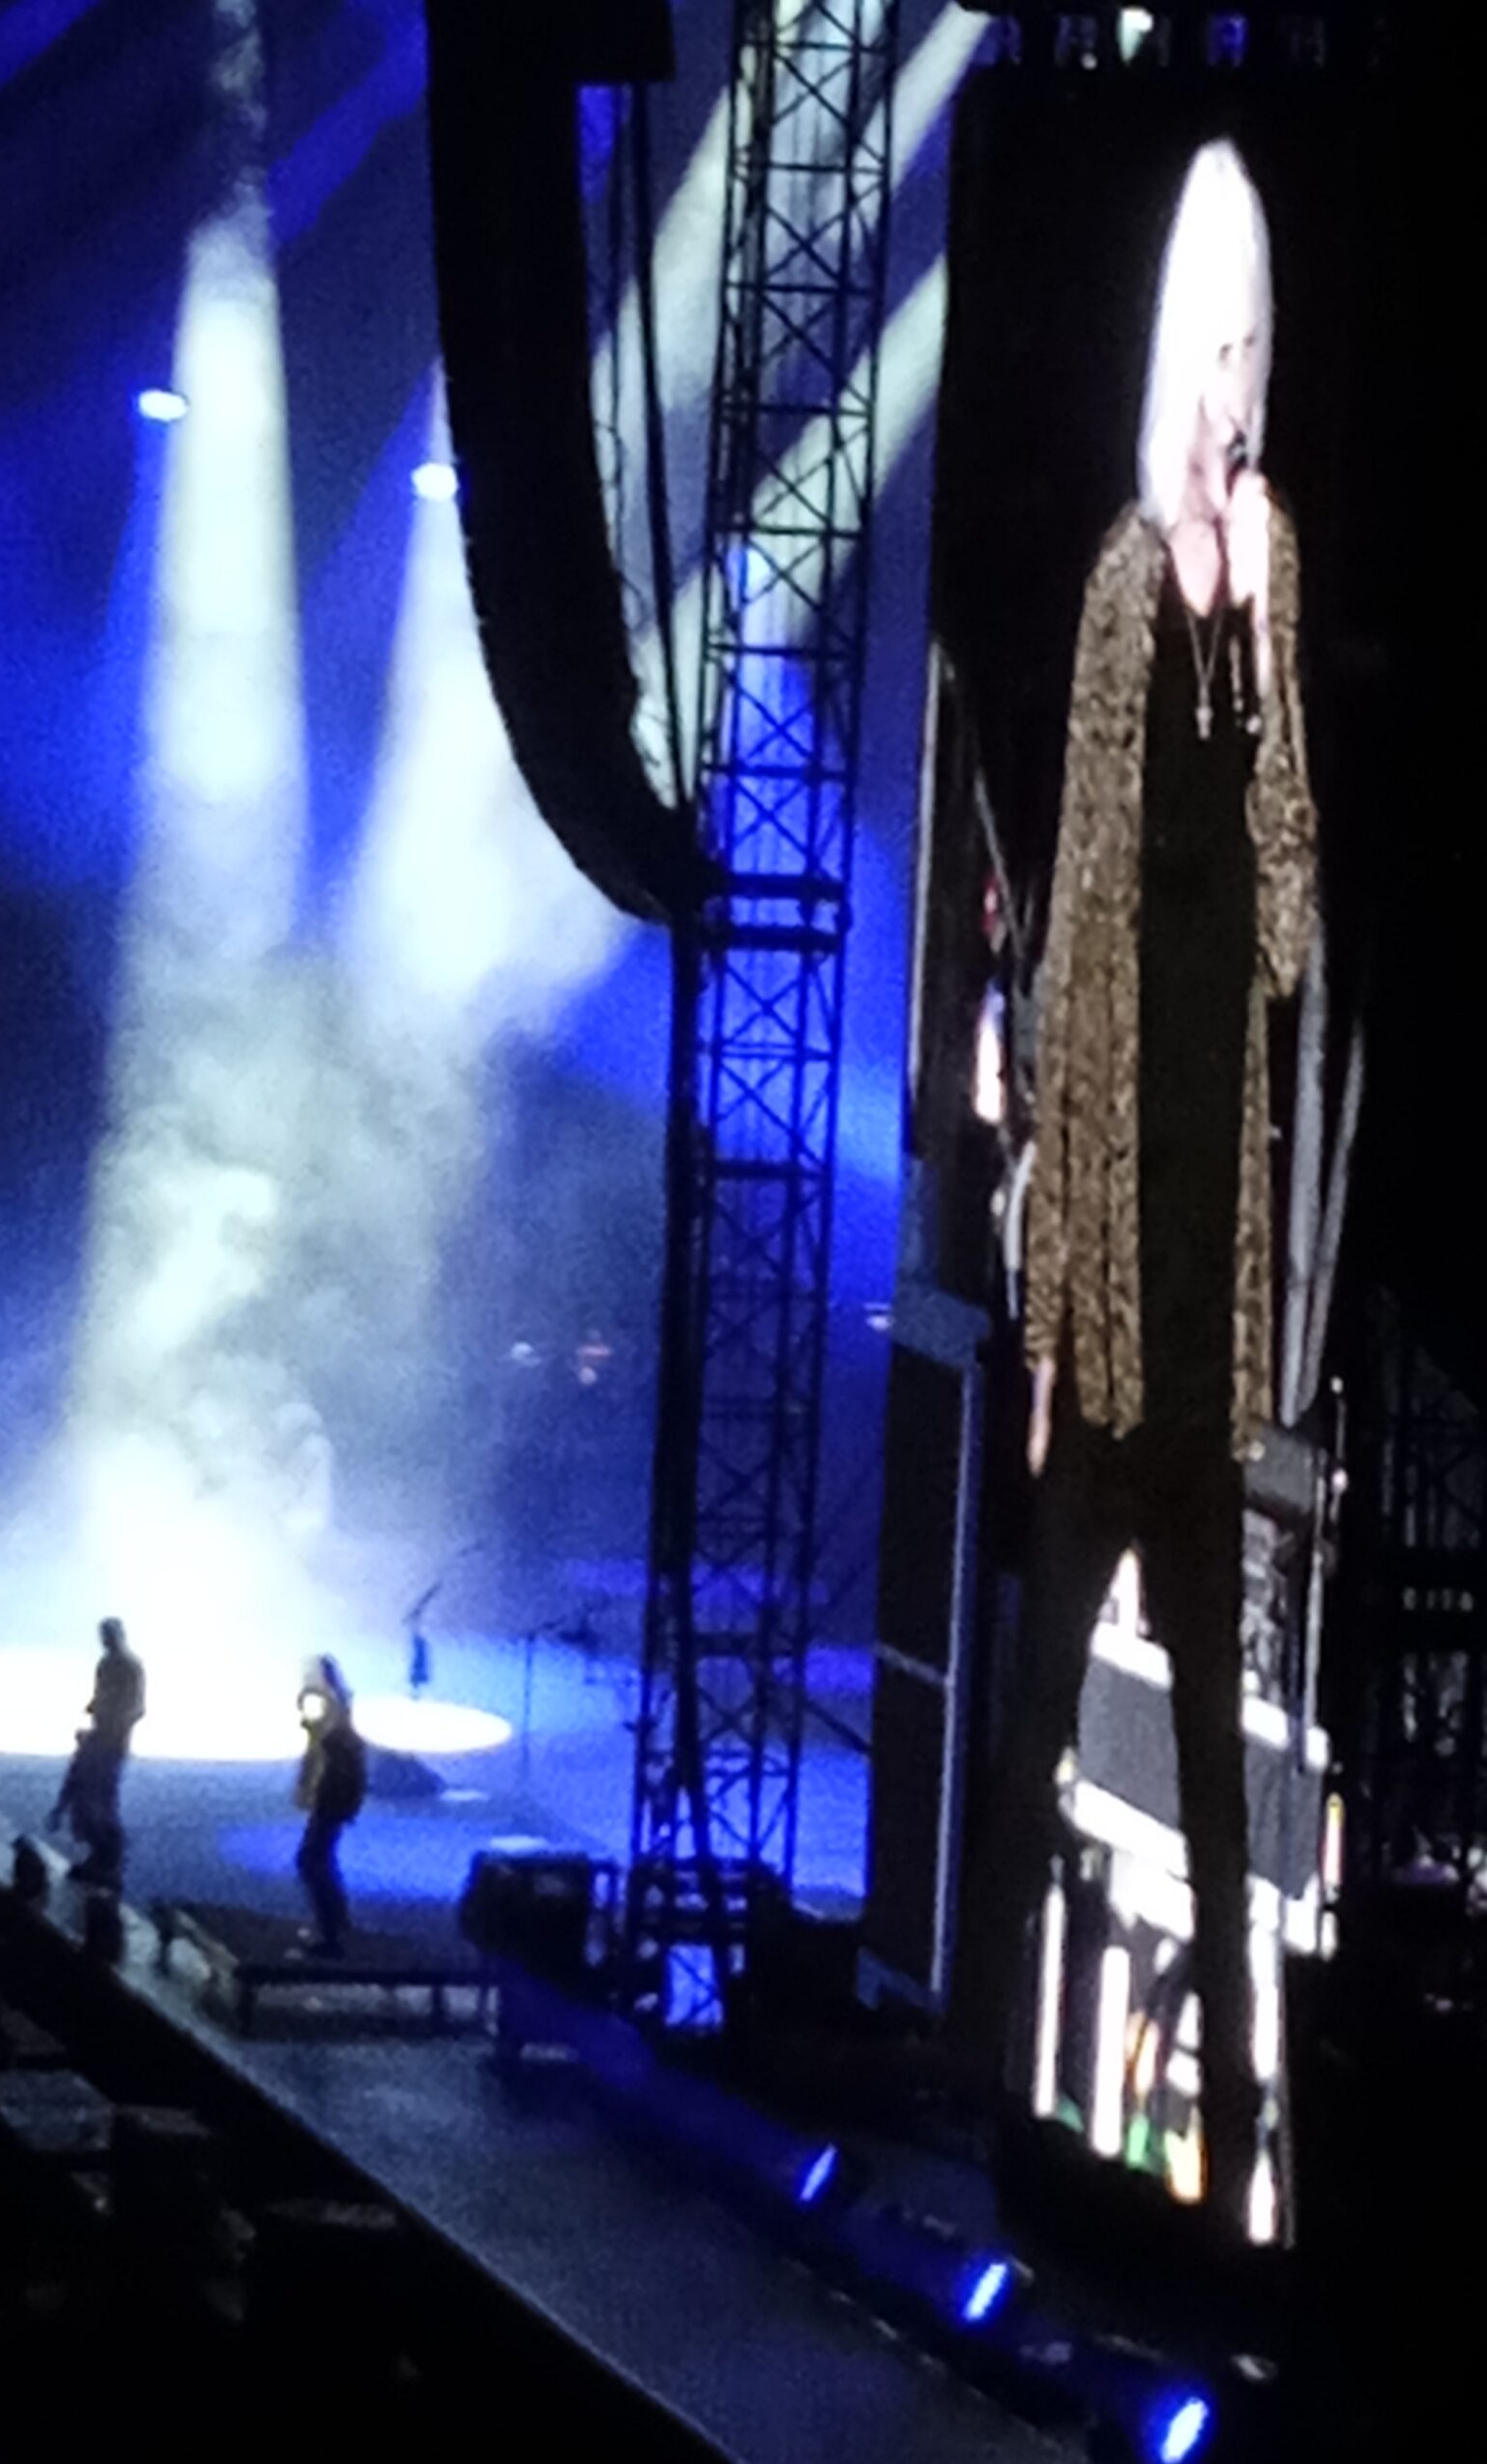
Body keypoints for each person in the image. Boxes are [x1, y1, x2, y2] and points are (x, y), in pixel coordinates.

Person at [943, 140, 1317, 2237]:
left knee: (1211, 1772)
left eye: (1256, 356)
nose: (1231, 393)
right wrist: (1056, 1319)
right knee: (1031, 1725)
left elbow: (1289, 888)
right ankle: (972, 2060)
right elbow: (1084, 917)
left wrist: (1261, 642)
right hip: (1109, 1288)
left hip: (1206, 1272)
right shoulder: (1111, 586)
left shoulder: (1272, 568)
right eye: (1212, 352)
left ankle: (1241, 2120)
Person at [49, 1617, 144, 1886]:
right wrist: (96, 1711)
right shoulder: (107, 1664)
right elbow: (103, 1698)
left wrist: (114, 1725)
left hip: (112, 1742)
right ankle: (99, 1857)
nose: (104, 1640)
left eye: (107, 1635)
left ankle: (108, 1860)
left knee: (101, 1801)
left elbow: (136, 1707)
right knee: (86, 1797)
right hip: (101, 1736)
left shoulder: (129, 1665)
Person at [291, 1655, 367, 1957]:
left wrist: (309, 1788)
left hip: (333, 1790)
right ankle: (336, 1923)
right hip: (340, 1789)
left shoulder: (324, 1704)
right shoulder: (339, 1703)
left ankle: (330, 1933)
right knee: (320, 1857)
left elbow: (322, 1750)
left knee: (312, 1860)